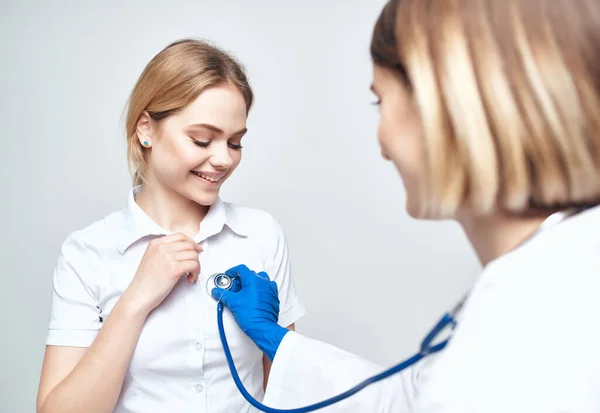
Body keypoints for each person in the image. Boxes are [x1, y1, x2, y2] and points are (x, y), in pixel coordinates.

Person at [213, 0, 600, 411]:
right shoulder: (550, 282)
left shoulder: (541, 319)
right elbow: (411, 399)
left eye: (380, 101)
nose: (381, 144)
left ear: (447, 105)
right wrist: (276, 340)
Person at [36, 39, 305, 413]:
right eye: (202, 139)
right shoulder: (88, 253)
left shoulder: (260, 236)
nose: (224, 159)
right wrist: (135, 301)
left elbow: (291, 395)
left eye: (236, 142)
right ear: (146, 129)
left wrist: (273, 338)